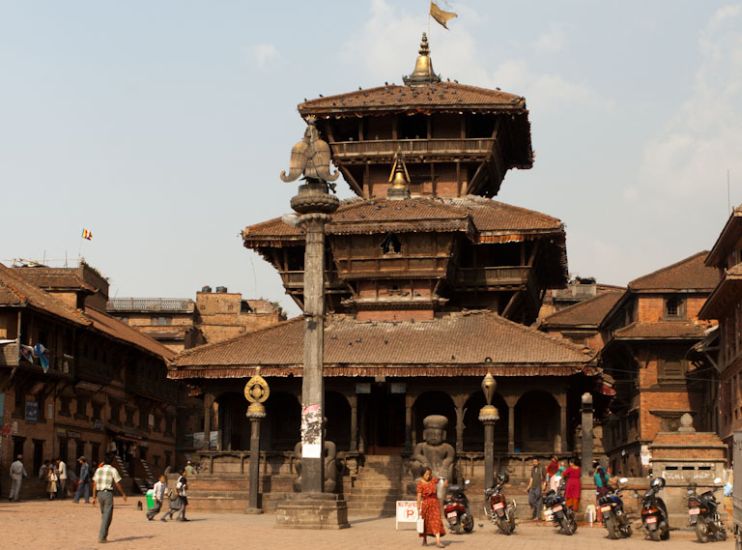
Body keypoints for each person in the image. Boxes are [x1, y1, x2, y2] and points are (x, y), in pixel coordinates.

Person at [92, 454, 128, 544]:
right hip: (108, 494)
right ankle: (102, 537)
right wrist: (123, 494)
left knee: (104, 515)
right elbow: (117, 483)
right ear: (112, 461)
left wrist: (94, 497)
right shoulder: (113, 470)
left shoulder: (98, 470)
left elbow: (94, 484)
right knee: (107, 517)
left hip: (99, 494)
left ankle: (104, 535)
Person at [416, 466, 445, 548]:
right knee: (425, 523)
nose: (428, 476)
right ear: (422, 475)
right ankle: (424, 540)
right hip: (426, 505)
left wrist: (443, 481)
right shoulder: (420, 484)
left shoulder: (433, 480)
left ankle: (438, 541)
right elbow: (418, 496)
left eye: (429, 474)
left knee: (436, 521)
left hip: (435, 504)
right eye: (427, 474)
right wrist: (418, 507)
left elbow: (441, 480)